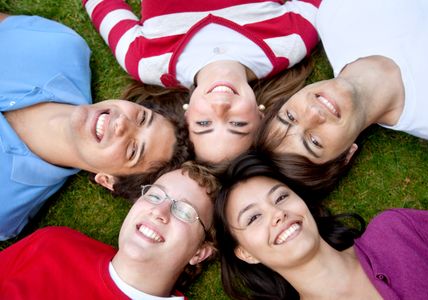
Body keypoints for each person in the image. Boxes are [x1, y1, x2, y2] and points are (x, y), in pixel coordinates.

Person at [0, 14, 190, 240]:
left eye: (132, 151)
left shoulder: (6, 205)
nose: (121, 125)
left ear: (107, 180)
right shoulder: (60, 48)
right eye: (141, 118)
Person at [82, 0, 320, 162]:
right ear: (260, 115)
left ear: (186, 115)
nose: (220, 106)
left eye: (204, 123)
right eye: (237, 124)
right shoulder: (291, 41)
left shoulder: (147, 61)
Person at [256, 0, 428, 187]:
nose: (314, 113)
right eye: (314, 141)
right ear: (346, 156)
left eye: (290, 116)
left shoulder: (334, 15)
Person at [214, 154, 428, 299]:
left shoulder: (396, 231)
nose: (277, 213)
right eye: (253, 217)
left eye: (281, 197)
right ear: (245, 253)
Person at [0, 162, 218, 299]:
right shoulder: (54, 244)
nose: (159, 211)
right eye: (154, 195)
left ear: (200, 252)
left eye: (184, 211)